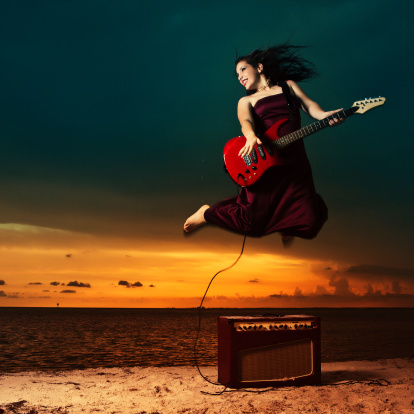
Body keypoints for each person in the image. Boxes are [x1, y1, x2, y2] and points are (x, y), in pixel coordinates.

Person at [183, 44, 343, 245]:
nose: (240, 76)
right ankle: (207, 214)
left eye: (242, 69)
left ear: (259, 67)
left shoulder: (288, 86)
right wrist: (250, 136)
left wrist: (326, 116)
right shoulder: (246, 101)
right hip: (267, 164)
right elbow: (246, 121)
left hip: (296, 164)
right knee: (251, 223)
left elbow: (310, 106)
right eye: (237, 74)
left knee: (309, 223)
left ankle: (288, 224)